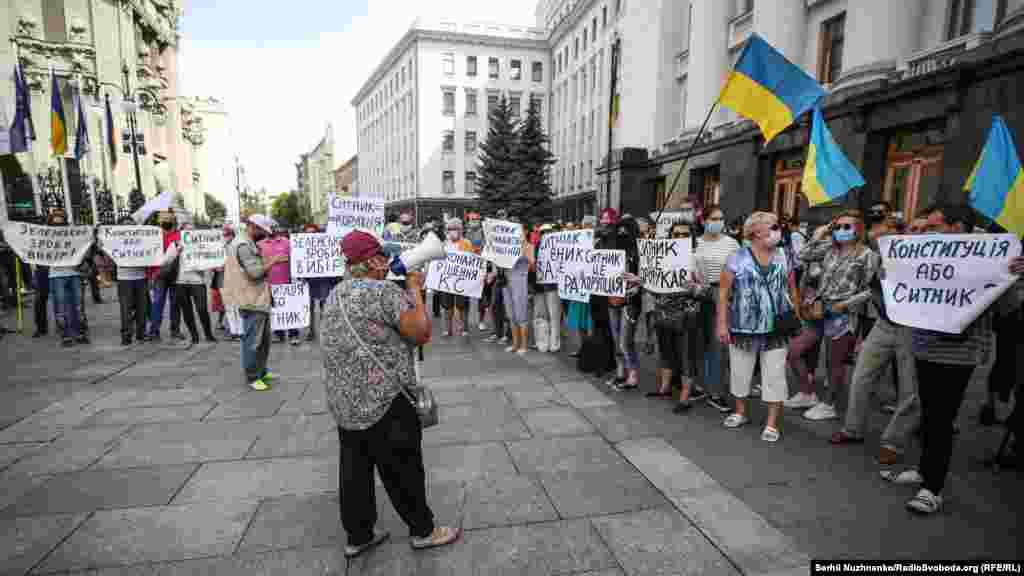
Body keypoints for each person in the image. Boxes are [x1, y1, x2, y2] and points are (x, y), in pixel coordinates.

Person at [321, 230, 460, 557]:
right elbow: (422, 331)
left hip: (345, 402)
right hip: (385, 399)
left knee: (354, 470)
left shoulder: (336, 293)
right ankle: (423, 531)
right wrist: (414, 287)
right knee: (403, 467)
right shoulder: (382, 291)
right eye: (381, 256)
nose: (386, 261)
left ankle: (359, 535)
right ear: (371, 261)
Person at [893, 204, 1024, 514]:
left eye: (933, 227)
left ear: (957, 227)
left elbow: (1006, 309)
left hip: (959, 353)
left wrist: (1012, 278)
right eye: (923, 229)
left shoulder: (990, 258)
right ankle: (925, 469)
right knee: (928, 412)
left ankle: (932, 488)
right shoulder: (926, 255)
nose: (926, 234)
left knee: (941, 418)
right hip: (924, 346)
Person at [831, 216, 918, 465]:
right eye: (878, 231)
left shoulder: (922, 258)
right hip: (883, 324)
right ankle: (852, 428)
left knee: (909, 388)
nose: (879, 235)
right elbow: (874, 289)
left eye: (887, 230)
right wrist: (847, 304)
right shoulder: (883, 256)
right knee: (861, 375)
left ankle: (894, 441)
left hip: (912, 328)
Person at [787, 210, 878, 422]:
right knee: (794, 351)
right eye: (837, 227)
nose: (841, 231)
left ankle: (829, 404)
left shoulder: (867, 255)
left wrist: (845, 304)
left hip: (843, 315)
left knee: (833, 363)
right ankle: (808, 393)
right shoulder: (829, 249)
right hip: (819, 310)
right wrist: (822, 233)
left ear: (859, 230)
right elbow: (803, 255)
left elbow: (870, 290)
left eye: (847, 227)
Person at [718, 212, 799, 442]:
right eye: (772, 227)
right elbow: (724, 292)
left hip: (777, 326)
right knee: (740, 371)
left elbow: (792, 288)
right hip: (743, 325)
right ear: (755, 231)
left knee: (775, 374)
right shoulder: (737, 257)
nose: (777, 231)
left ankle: (772, 423)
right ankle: (740, 411)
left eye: (777, 227)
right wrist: (722, 324)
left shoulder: (785, 255)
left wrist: (797, 315)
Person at [648, 221, 709, 412]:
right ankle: (665, 388)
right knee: (666, 352)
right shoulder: (662, 256)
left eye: (684, 234)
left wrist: (694, 288)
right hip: (663, 312)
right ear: (670, 236)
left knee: (686, 356)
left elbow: (706, 290)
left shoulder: (697, 258)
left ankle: (685, 396)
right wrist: (641, 280)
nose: (680, 237)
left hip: (686, 315)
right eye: (676, 234)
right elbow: (652, 281)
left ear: (691, 237)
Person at [222, 215, 286, 391]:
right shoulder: (243, 245)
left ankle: (262, 371)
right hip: (251, 299)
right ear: (253, 227)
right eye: (262, 231)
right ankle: (253, 376)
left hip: (257, 298)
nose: (265, 235)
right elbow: (255, 272)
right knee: (253, 340)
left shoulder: (247, 242)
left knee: (263, 340)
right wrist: (274, 261)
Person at [694, 205, 741, 413]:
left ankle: (716, 392)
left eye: (721, 218)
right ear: (704, 221)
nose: (718, 222)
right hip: (697, 294)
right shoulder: (694, 243)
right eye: (714, 218)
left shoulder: (732, 244)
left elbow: (740, 270)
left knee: (719, 345)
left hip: (722, 294)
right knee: (699, 342)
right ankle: (699, 385)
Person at [161, 223, 217, 346]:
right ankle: (194, 336)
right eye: (187, 231)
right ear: (181, 232)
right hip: (181, 282)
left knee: (202, 308)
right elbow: (165, 261)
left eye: (192, 230)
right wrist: (177, 250)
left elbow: (210, 259)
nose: (190, 233)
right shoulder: (175, 244)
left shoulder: (201, 245)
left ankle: (208, 334)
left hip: (198, 281)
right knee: (187, 311)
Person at [608, 215, 643, 390]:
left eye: (626, 230)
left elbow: (648, 278)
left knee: (625, 340)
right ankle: (620, 372)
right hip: (613, 300)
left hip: (631, 302)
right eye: (619, 229)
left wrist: (638, 285)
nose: (622, 233)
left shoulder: (640, 253)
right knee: (616, 340)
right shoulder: (611, 251)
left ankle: (633, 374)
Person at [45, 209, 87, 347]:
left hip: (73, 273)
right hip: (56, 275)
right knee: (60, 307)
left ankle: (80, 333)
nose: (58, 227)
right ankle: (66, 336)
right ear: (51, 224)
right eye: (55, 225)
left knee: (78, 306)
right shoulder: (45, 237)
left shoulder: (72, 235)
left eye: (61, 224)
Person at [110, 215, 149, 345]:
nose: (129, 227)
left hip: (141, 277)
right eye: (125, 225)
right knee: (125, 309)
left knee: (142, 309)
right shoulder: (115, 240)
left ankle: (141, 334)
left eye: (131, 225)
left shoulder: (142, 239)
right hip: (124, 279)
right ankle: (126, 336)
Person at [300, 223, 341, 342]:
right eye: (308, 233)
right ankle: (310, 331)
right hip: (309, 281)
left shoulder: (325, 244)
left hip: (324, 280)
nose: (310, 235)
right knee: (309, 308)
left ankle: (326, 330)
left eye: (313, 233)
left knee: (325, 307)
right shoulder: (301, 246)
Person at [260, 225, 300, 345]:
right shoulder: (260, 244)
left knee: (290, 310)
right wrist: (277, 259)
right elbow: (261, 262)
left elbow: (293, 258)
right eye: (268, 228)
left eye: (273, 227)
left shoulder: (287, 242)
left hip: (286, 282)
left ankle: (294, 334)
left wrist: (272, 259)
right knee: (275, 310)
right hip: (269, 283)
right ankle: (279, 334)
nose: (271, 230)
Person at [147, 210, 183, 342]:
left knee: (175, 304)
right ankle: (154, 331)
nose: (166, 222)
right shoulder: (154, 236)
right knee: (158, 303)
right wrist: (151, 275)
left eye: (169, 220)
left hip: (175, 274)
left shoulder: (180, 235)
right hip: (159, 274)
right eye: (164, 220)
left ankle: (175, 330)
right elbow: (149, 255)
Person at [502, 218, 535, 354]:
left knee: (521, 313)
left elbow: (532, 266)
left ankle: (524, 345)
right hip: (507, 281)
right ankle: (515, 344)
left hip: (520, 281)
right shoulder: (506, 246)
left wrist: (521, 253)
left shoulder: (528, 246)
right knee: (511, 314)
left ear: (525, 231)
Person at [566, 215, 595, 358]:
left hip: (591, 288)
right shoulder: (577, 243)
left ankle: (591, 350)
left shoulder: (598, 242)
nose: (587, 227)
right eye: (585, 225)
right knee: (579, 321)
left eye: (590, 225)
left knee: (590, 321)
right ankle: (583, 348)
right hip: (578, 287)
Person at [440, 218, 474, 337]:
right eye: (450, 229)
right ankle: (447, 329)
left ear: (460, 230)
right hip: (447, 280)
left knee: (463, 306)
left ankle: (465, 329)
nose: (453, 231)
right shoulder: (444, 244)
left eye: (455, 229)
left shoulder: (467, 243)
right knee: (446, 306)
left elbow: (471, 260)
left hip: (461, 280)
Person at [532, 223, 562, 353]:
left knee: (554, 316)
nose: (545, 235)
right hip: (539, 287)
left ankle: (554, 344)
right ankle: (542, 342)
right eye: (543, 232)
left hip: (553, 287)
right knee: (541, 316)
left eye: (548, 232)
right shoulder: (537, 247)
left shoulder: (559, 247)